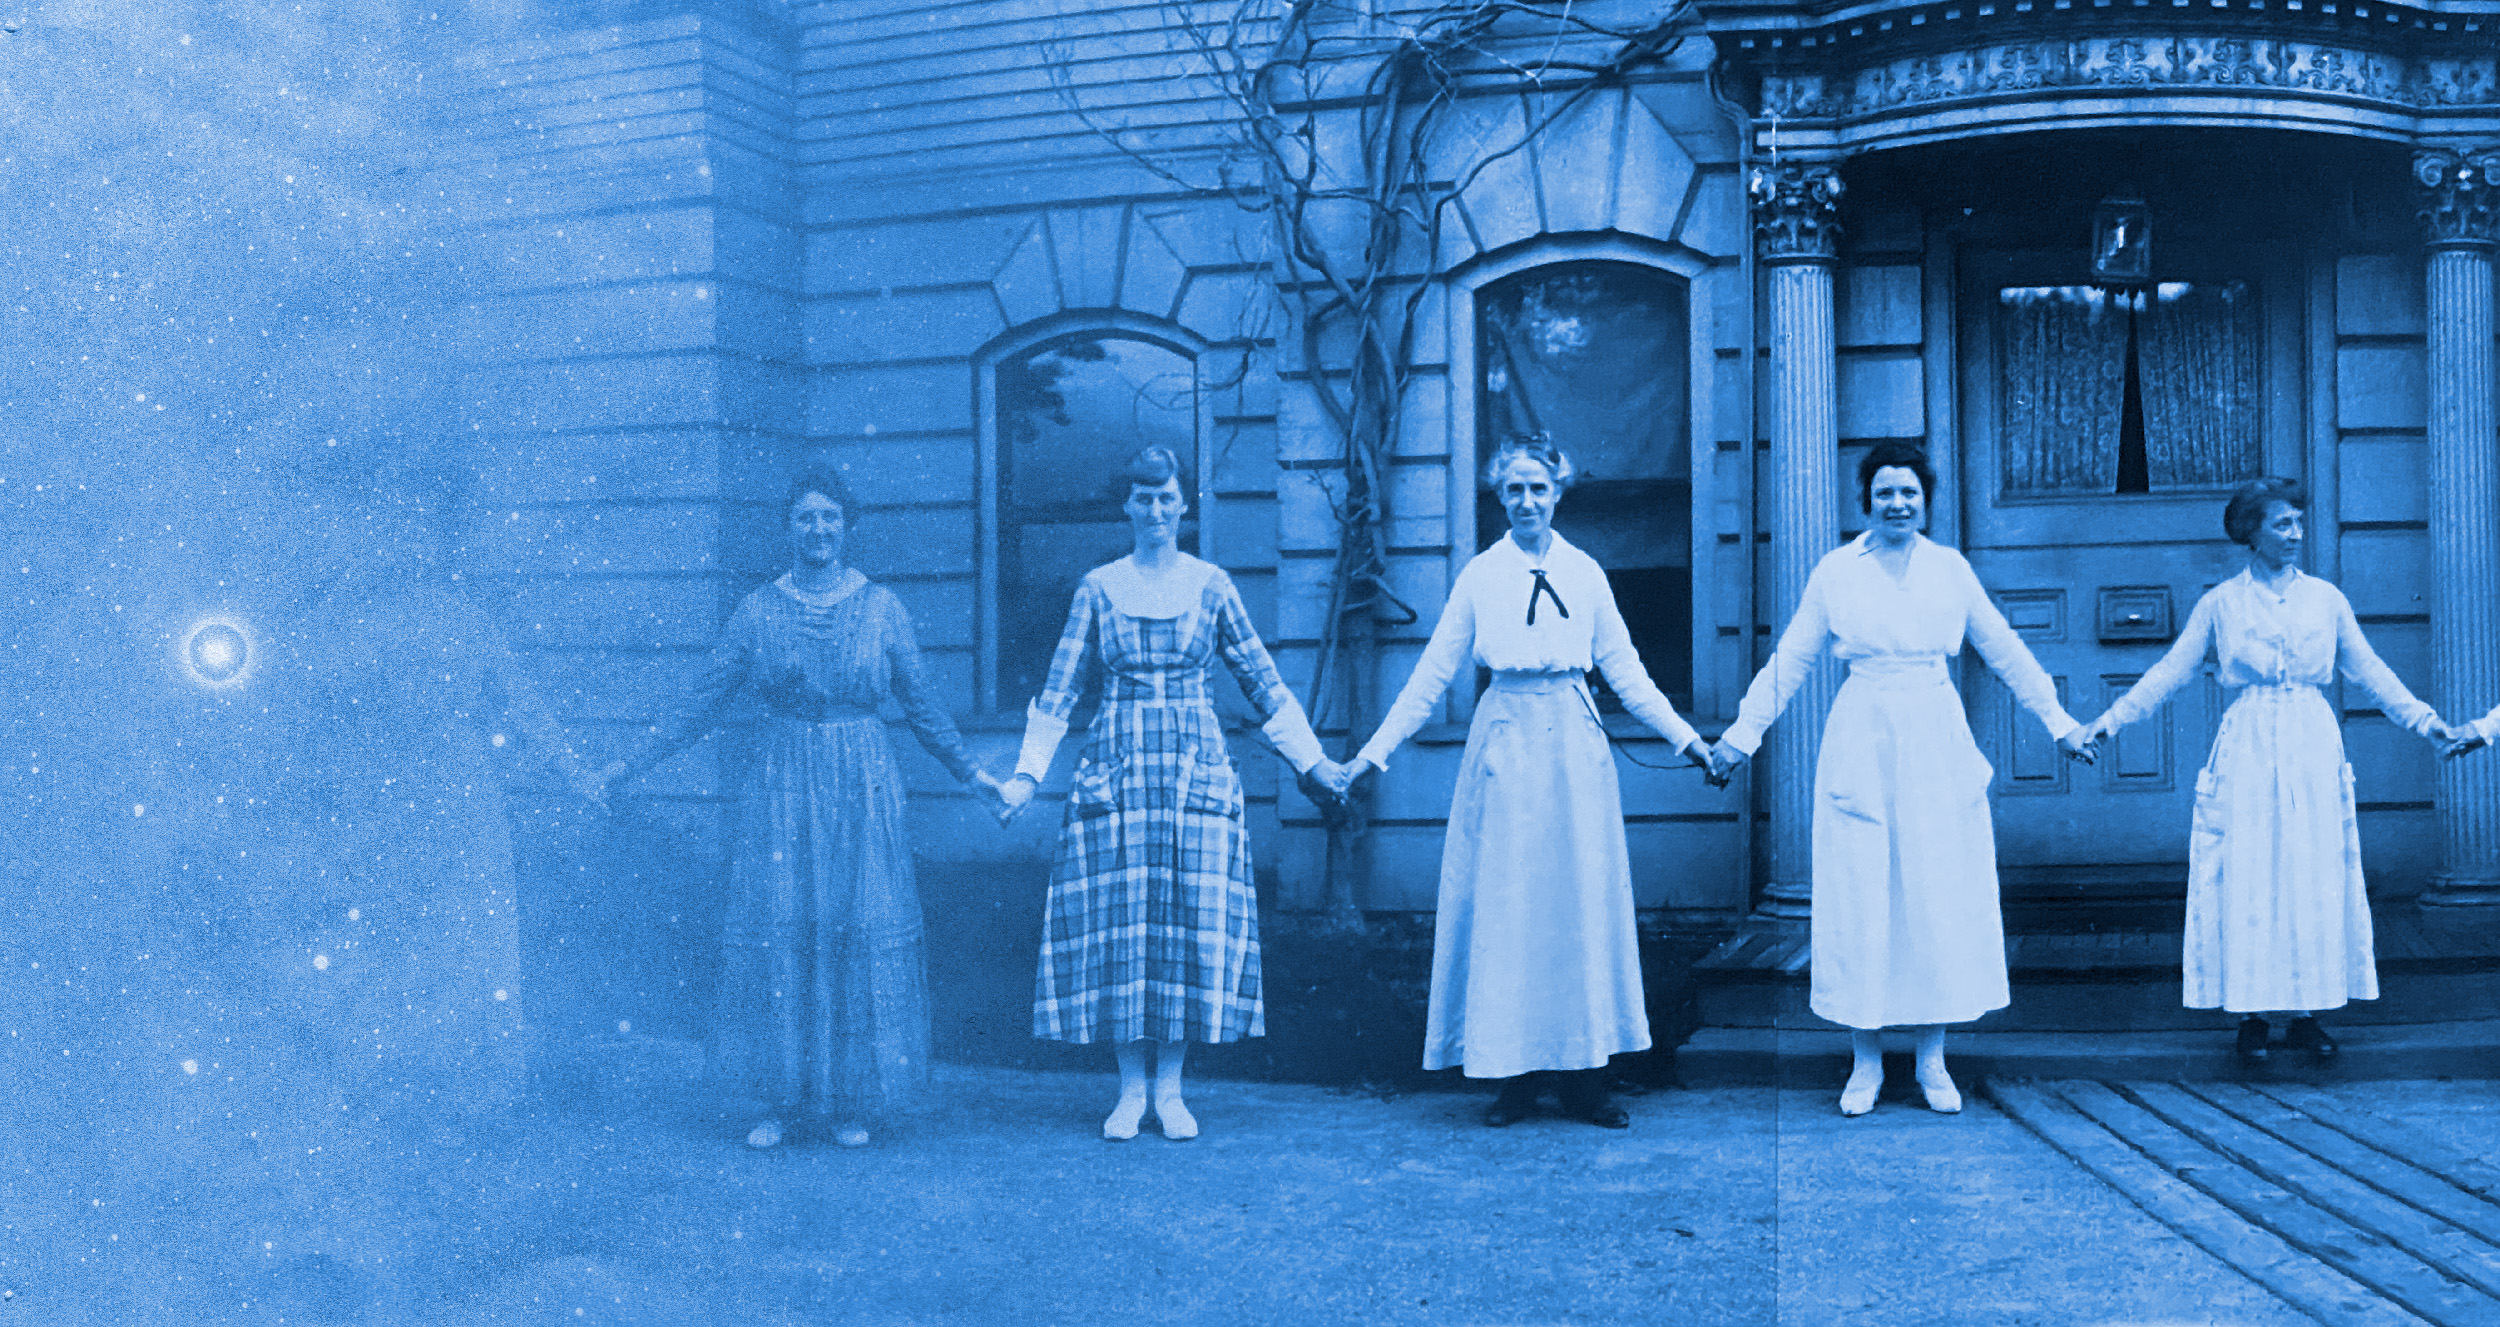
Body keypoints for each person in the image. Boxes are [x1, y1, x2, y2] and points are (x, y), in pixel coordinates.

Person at [594, 466, 1005, 1149]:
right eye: (806, 517)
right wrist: (627, 764)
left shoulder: (881, 607)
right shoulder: (757, 611)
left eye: (830, 517)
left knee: (852, 927)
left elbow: (923, 704)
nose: (818, 529)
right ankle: (778, 1101)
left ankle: (849, 1100)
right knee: (779, 931)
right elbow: (700, 703)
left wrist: (972, 772)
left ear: (847, 525)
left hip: (860, 783)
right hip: (782, 785)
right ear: (789, 528)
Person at [1324, 434, 1711, 1129]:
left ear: (1558, 491)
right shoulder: (1481, 575)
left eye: (1539, 487)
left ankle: (1585, 1078)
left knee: (1575, 907)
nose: (1527, 500)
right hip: (1506, 741)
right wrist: (1368, 758)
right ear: (1500, 497)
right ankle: (1513, 1077)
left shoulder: (1587, 573)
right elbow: (1431, 676)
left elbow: (1627, 671)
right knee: (1510, 910)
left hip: (1573, 743)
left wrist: (1692, 743)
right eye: (1514, 489)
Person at [1705, 442, 2088, 1116]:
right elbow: (1791, 659)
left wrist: (2059, 721)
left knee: (1935, 895)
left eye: (1909, 492)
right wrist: (1741, 737)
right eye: (1884, 492)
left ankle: (1932, 1055)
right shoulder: (1836, 572)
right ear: (1866, 501)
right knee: (1863, 895)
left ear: (1926, 499)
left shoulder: (1949, 570)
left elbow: (2003, 648)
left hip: (1934, 736)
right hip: (1863, 734)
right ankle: (1865, 1058)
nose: (1897, 503)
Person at [996, 445, 1335, 1141]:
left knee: (1188, 921)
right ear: (1127, 505)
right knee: (1121, 923)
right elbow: (1060, 688)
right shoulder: (1097, 586)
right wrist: (1028, 774)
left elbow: (1262, 681)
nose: (1155, 511)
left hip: (1193, 766)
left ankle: (1172, 1089)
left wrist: (1313, 763)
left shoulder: (1212, 586)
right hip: (1116, 766)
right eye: (1142, 499)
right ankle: (1128, 1089)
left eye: (1166, 499)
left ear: (1185, 506)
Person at [2069, 477, 2454, 1064]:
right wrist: (2107, 724)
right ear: (2251, 532)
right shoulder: (2221, 604)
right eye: (2282, 524)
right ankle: (2251, 1014)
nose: (2295, 534)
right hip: (2248, 742)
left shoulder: (2326, 600)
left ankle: (2306, 1012)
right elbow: (2170, 671)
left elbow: (2370, 669)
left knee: (2309, 868)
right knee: (2251, 869)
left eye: (2299, 522)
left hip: (2310, 740)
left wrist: (2427, 724)